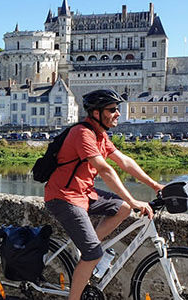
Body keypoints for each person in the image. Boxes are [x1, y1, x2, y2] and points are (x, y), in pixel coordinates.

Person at [44, 89, 164, 299]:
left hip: (84, 193)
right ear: (96, 113)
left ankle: (88, 249)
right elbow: (106, 170)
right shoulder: (82, 133)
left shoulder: (100, 135)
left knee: (123, 209)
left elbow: (124, 162)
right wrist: (133, 199)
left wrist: (155, 185)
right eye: (112, 109)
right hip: (64, 197)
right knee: (93, 254)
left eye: (117, 109)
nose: (117, 113)